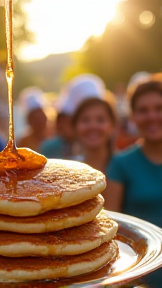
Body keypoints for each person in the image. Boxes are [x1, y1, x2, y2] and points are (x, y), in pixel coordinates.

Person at [105, 80, 162, 288]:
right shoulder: (121, 164)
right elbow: (110, 230)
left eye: (159, 108)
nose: (152, 116)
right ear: (133, 116)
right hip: (141, 281)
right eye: (143, 110)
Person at [72, 98, 116, 172]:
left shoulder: (127, 167)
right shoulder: (69, 170)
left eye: (100, 120)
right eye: (85, 120)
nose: (93, 126)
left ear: (112, 125)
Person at [17, 87, 48, 152]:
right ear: (29, 120)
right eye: (36, 119)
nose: (40, 121)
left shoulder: (54, 137)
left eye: (41, 117)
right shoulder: (23, 143)